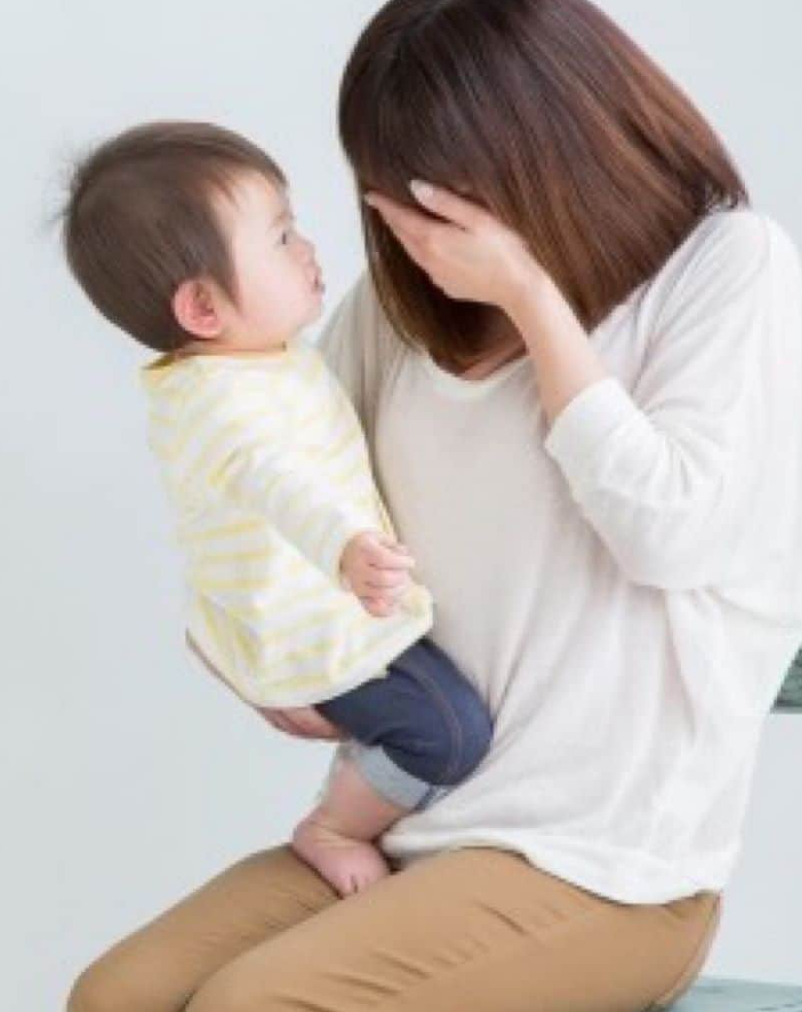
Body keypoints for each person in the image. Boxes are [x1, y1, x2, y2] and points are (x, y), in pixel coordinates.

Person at [66, 0, 802, 1012]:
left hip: (610, 868)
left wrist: (527, 295)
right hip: (416, 827)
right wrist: (257, 661)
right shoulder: (391, 313)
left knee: (255, 1006)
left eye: (430, 190)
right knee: (118, 998)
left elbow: (672, 539)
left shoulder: (726, 270)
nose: (399, 228)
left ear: (541, 153)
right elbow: (270, 496)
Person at [59, 121, 494, 900]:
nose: (309, 248)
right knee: (447, 733)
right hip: (309, 622)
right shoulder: (221, 407)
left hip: (326, 604)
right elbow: (276, 484)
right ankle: (335, 825)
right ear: (201, 305)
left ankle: (363, 798)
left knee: (436, 715)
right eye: (282, 238)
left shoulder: (254, 365)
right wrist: (346, 548)